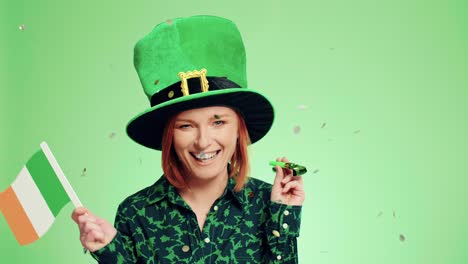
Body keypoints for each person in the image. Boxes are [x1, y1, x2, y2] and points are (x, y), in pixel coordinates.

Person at [72, 15, 305, 263]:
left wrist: (284, 216)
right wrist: (112, 254)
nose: (203, 142)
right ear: (168, 135)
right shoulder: (135, 213)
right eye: (185, 126)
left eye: (218, 122)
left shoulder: (267, 203)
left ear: (239, 128)